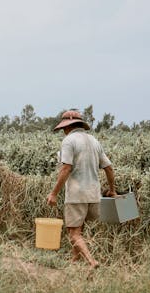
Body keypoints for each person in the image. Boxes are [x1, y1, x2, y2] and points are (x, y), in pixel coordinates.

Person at [47, 110, 117, 269]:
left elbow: (65, 169)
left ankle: (92, 262)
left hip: (76, 195)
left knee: (73, 234)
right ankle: (74, 260)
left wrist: (53, 193)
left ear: (67, 127)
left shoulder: (68, 141)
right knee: (80, 229)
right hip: (94, 195)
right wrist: (112, 190)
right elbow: (109, 168)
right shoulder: (94, 141)